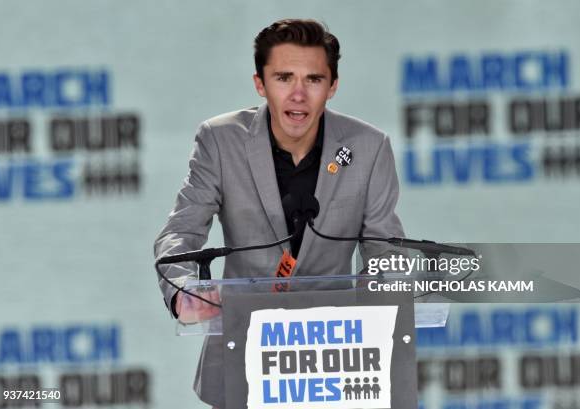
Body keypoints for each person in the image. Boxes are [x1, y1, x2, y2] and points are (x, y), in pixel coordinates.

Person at [154, 18, 405, 408]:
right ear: (261, 83)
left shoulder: (368, 148)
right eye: (284, 78)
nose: (298, 95)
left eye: (314, 79)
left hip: (336, 363)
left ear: (333, 86)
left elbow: (383, 251)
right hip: (243, 362)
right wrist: (184, 293)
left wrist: (387, 294)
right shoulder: (220, 141)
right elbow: (179, 234)